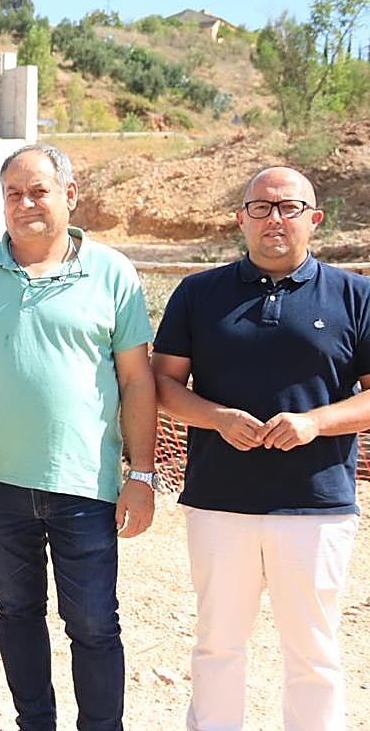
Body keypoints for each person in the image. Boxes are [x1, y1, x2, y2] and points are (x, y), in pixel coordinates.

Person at [0, 144, 157, 731]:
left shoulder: (113, 273)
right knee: (17, 612)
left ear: (70, 195)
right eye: (14, 193)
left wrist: (141, 475)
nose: (26, 203)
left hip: (85, 481)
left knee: (92, 624)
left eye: (39, 191)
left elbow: (137, 379)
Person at [151, 166, 367, 731]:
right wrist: (217, 418)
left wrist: (315, 424)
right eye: (262, 207)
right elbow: (162, 385)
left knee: (313, 655)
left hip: (317, 507)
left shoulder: (355, 295)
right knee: (218, 646)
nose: (275, 218)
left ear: (313, 219)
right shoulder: (200, 293)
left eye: (289, 208)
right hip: (219, 503)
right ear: (240, 218)